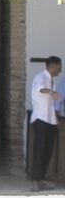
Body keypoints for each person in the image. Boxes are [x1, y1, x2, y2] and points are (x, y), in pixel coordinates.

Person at [29, 56, 60, 190]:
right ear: (54, 66)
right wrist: (51, 92)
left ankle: (41, 179)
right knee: (40, 150)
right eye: (59, 67)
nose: (60, 70)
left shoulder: (52, 80)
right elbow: (39, 88)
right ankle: (35, 180)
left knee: (47, 151)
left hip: (50, 120)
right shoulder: (40, 77)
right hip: (41, 119)